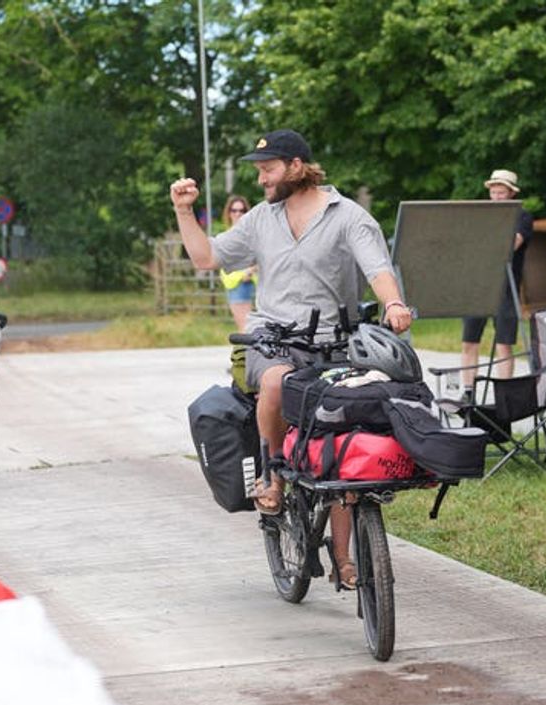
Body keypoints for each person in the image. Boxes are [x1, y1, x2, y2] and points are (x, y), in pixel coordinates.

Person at [170, 129, 412, 589]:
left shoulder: (349, 217)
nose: (262, 179)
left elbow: (377, 269)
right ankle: (273, 475)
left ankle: (346, 561)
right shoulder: (261, 219)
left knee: (344, 449)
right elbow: (206, 257)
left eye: (268, 169)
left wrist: (395, 304)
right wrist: (184, 210)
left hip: (334, 341)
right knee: (278, 382)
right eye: (259, 171)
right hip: (273, 337)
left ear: (297, 167)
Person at [460, 169, 534, 394]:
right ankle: (468, 391)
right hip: (478, 285)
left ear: (511, 194)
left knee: (504, 344)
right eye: (494, 192)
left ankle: (504, 393)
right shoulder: (481, 215)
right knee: (469, 341)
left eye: (502, 193)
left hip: (506, 287)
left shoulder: (522, 217)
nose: (497, 197)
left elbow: (509, 246)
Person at [218, 195, 257, 332]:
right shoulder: (227, 236)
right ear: (229, 213)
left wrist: (251, 270)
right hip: (236, 284)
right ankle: (245, 353)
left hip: (254, 284)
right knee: (245, 328)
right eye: (234, 210)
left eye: (242, 211)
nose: (238, 214)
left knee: (251, 329)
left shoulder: (253, 234)